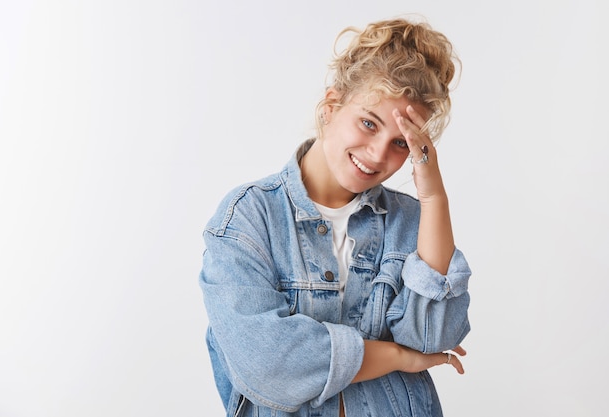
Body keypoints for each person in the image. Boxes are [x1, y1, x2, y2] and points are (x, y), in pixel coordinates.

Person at [199, 16, 472, 417]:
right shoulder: (249, 218)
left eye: (400, 143)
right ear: (331, 106)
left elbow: (433, 334)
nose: (379, 154)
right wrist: (396, 356)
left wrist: (433, 195)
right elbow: (269, 366)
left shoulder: (410, 221)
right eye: (368, 123)